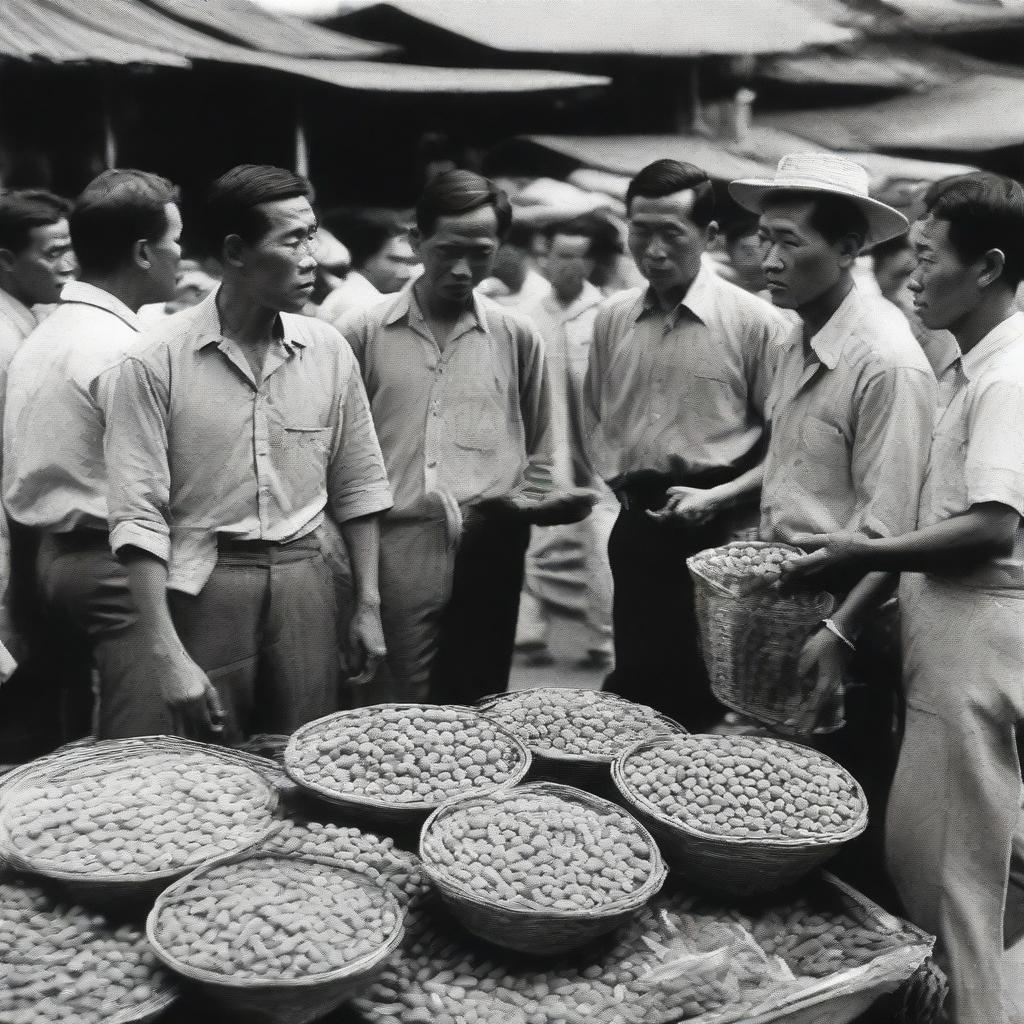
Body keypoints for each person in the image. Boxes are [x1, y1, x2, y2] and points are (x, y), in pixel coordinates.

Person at [784, 171, 1024, 1024]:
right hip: (954, 643)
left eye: (926, 259)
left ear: (988, 266)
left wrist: (863, 550)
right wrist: (850, 624)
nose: (910, 277)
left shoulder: (1004, 378)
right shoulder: (972, 366)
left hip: (973, 649)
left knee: (949, 885)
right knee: (963, 869)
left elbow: (992, 526)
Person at [106, 165, 393, 742]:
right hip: (205, 583)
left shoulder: (328, 350)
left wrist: (367, 604)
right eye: (293, 239)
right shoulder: (153, 360)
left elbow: (359, 484)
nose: (314, 255)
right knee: (208, 767)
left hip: (307, 575)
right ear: (236, 251)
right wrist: (167, 655)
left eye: (313, 234)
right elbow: (137, 517)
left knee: (306, 750)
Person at [337, 169, 591, 706]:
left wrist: (532, 506)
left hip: (490, 539)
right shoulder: (362, 333)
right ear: (416, 241)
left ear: (498, 248)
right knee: (397, 699)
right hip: (392, 541)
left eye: (479, 253)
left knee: (479, 700)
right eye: (446, 250)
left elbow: (540, 444)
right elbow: (336, 452)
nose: (460, 269)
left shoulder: (514, 334)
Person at [721, 153, 937, 737]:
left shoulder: (886, 364)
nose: (769, 261)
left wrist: (841, 632)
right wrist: (723, 495)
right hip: (784, 598)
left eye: (789, 242)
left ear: (846, 249)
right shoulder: (797, 336)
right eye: (764, 239)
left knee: (845, 786)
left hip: (848, 619)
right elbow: (795, 458)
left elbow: (892, 531)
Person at [584, 158, 790, 730]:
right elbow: (598, 418)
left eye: (671, 232)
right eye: (640, 230)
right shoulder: (611, 319)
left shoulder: (758, 324)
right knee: (636, 690)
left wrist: (720, 498)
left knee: (705, 697)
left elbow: (787, 447)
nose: (653, 249)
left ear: (711, 236)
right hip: (636, 526)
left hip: (717, 533)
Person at [3, 170, 182, 741]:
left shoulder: (55, 328)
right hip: (112, 564)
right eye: (174, 240)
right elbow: (154, 476)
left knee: (82, 731)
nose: (182, 254)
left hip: (53, 556)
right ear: (143, 253)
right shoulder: (119, 349)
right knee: (140, 739)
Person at [515, 216, 615, 670]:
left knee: (603, 548)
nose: (567, 266)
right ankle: (530, 632)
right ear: (545, 257)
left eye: (577, 256)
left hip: (596, 454)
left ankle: (607, 639)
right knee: (533, 544)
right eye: (559, 255)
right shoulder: (527, 316)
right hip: (541, 451)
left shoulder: (608, 316)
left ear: (591, 262)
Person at [318, 208, 419, 325]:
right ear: (365, 259)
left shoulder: (352, 295)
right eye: (395, 260)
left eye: (408, 262)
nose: (406, 273)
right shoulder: (363, 302)